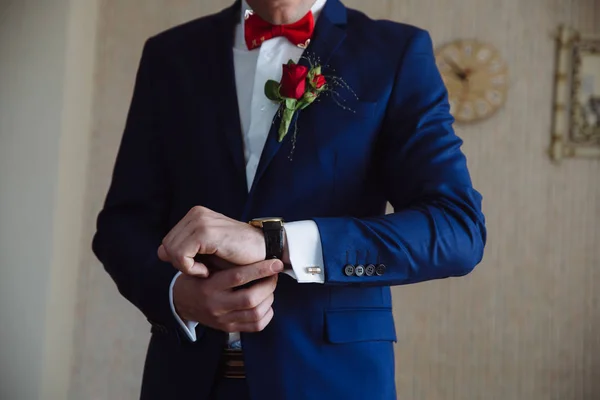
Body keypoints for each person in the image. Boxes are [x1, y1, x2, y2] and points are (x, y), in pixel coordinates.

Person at [92, 0, 486, 398]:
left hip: (331, 382)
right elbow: (121, 226)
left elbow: (456, 228)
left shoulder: (396, 52)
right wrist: (177, 294)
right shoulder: (170, 56)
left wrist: (274, 242)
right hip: (184, 381)